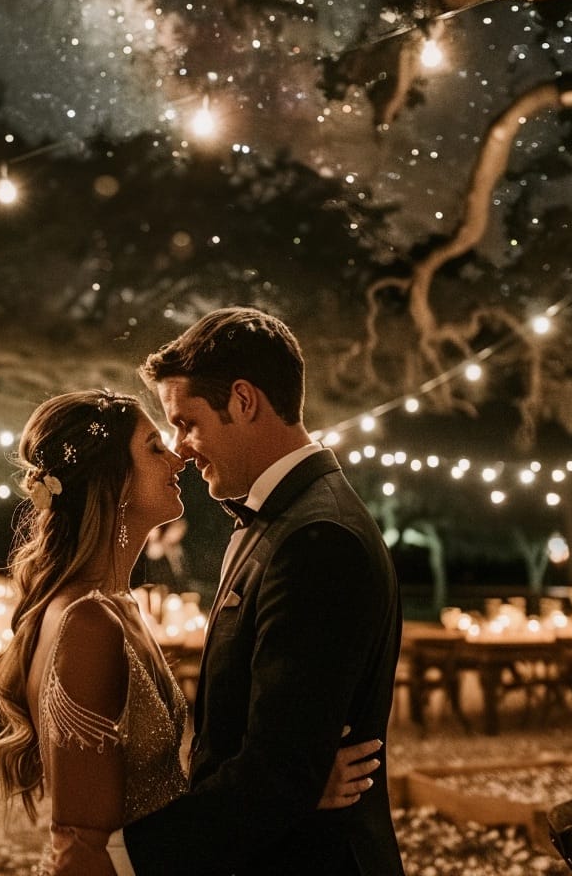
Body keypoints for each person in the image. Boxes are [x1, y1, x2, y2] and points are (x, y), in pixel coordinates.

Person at [0, 389, 380, 875]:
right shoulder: (85, 623)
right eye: (154, 447)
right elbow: (81, 844)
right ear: (114, 481)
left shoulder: (118, 605)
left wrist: (285, 791)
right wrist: (290, 793)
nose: (178, 457)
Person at [111, 306, 405, 875]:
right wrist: (295, 779)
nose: (181, 448)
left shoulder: (318, 537)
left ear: (244, 401)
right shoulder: (278, 516)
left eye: (187, 422)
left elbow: (278, 772)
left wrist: (120, 859)